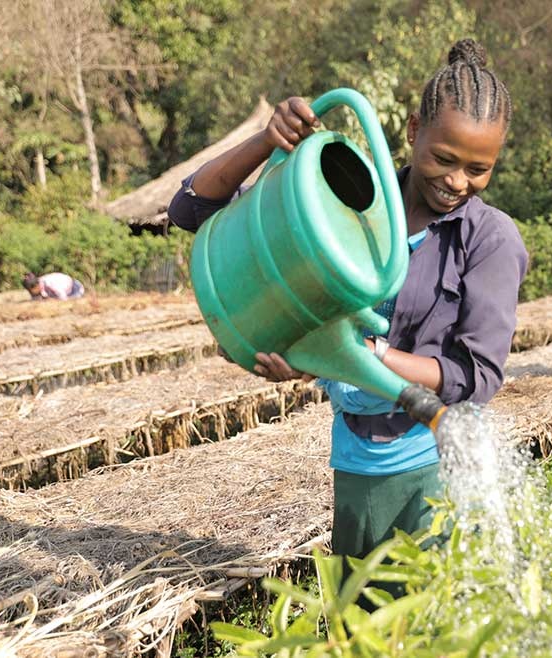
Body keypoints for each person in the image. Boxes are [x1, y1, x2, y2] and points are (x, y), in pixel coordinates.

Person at [167, 39, 527, 593]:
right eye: (444, 159)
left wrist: (374, 358)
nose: (458, 181)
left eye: (480, 169)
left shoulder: (489, 239)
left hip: (433, 457)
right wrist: (268, 141)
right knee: (359, 623)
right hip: (356, 454)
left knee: (427, 624)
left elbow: (476, 375)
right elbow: (192, 209)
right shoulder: (352, 193)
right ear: (412, 131)